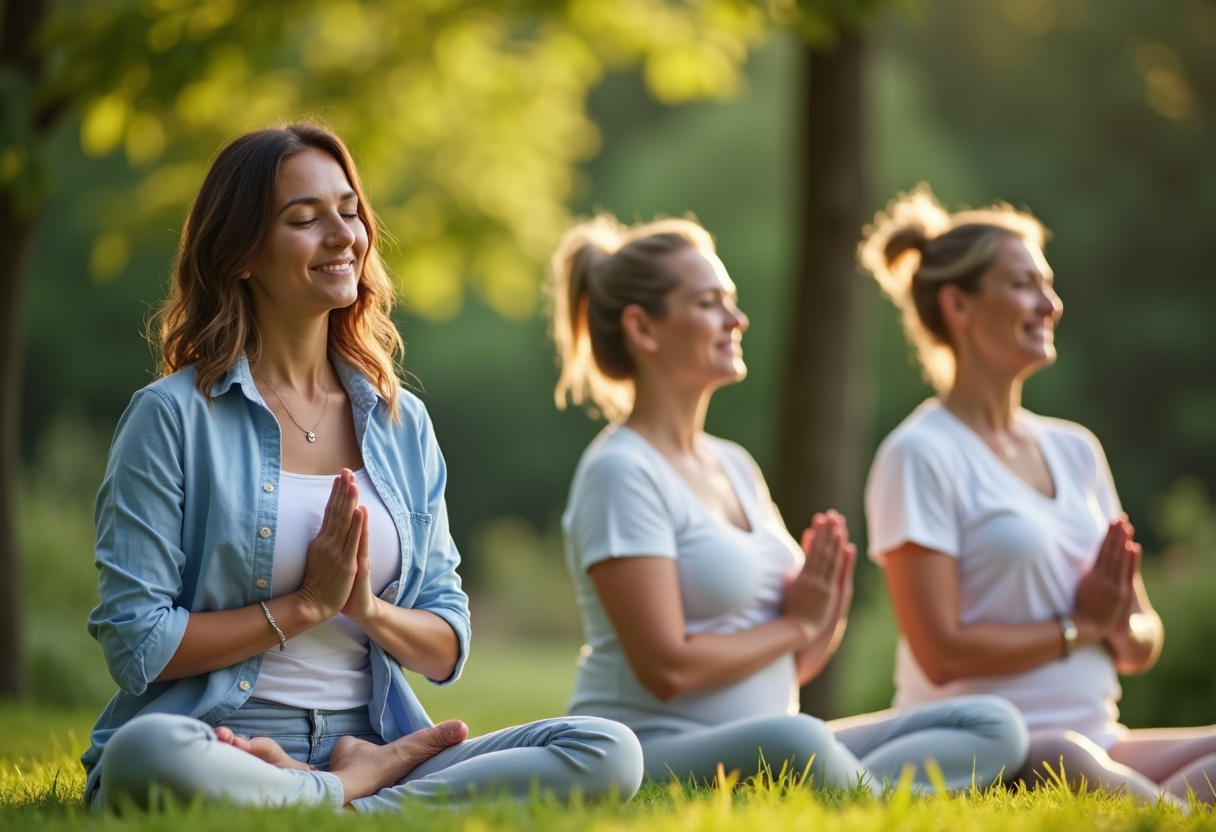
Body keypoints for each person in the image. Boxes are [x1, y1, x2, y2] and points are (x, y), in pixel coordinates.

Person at [82, 123, 643, 812]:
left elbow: (444, 645)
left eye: (349, 212)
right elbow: (137, 646)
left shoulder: (400, 421)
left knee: (606, 749)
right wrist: (302, 607)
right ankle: (351, 794)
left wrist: (367, 609)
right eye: (304, 218)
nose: (342, 235)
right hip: (218, 738)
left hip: (371, 735)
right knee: (144, 756)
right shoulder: (171, 417)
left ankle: (332, 798)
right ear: (243, 254)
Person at [548, 213, 1029, 792]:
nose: (737, 319)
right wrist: (799, 623)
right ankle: (869, 800)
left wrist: (825, 612)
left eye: (730, 301)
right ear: (643, 329)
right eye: (709, 303)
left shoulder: (735, 466)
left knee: (990, 721)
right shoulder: (620, 471)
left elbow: (789, 661)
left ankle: (849, 789)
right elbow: (667, 669)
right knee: (799, 740)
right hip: (656, 750)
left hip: (768, 738)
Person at [860, 185, 1216, 804]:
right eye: (1024, 285)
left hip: (1102, 734)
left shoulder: (1076, 449)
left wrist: (1116, 622)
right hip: (988, 747)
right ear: (958, 305)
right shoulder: (919, 455)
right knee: (1066, 759)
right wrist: (1079, 626)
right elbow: (940, 652)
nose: (1048, 303)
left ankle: (1167, 810)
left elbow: (1139, 637)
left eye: (1047, 285)